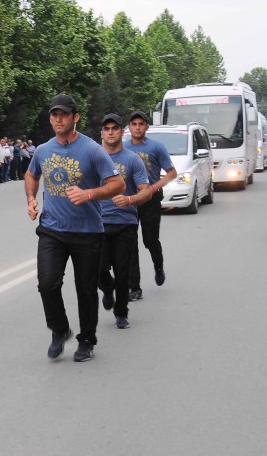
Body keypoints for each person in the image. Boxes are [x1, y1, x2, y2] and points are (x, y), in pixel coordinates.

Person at [25, 94, 124, 362]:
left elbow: (118, 184)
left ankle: (87, 340)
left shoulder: (93, 150)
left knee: (86, 290)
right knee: (47, 283)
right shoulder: (44, 150)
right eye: (54, 115)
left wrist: (89, 194)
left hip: (87, 232)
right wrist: (31, 199)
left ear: (75, 117)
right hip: (52, 230)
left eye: (64, 114)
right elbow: (31, 174)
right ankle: (59, 329)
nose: (58, 119)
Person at [97, 114, 151, 329]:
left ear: (121, 132)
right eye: (106, 128)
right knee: (98, 269)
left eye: (115, 128)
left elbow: (145, 191)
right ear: (102, 133)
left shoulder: (132, 159)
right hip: (98, 223)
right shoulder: (94, 158)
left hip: (125, 223)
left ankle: (121, 312)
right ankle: (107, 289)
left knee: (122, 271)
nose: (110, 132)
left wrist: (130, 199)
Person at [124, 111, 177, 301]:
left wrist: (153, 188)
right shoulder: (123, 147)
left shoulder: (156, 147)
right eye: (134, 124)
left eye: (141, 124)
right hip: (130, 200)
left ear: (147, 127)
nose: (137, 127)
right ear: (129, 127)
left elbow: (172, 173)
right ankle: (134, 287)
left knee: (150, 240)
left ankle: (158, 266)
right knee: (130, 244)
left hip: (151, 200)